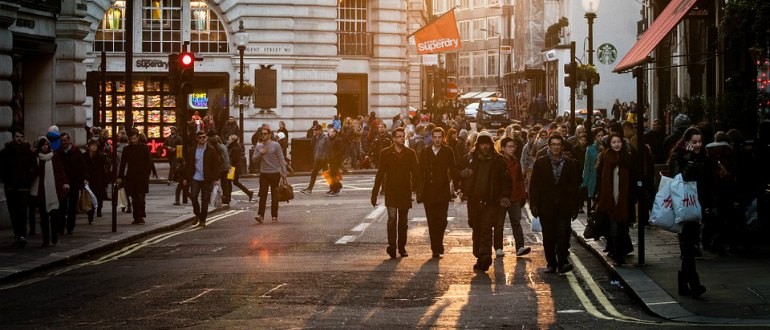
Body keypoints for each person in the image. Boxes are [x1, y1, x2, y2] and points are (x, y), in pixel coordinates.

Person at [529, 132, 581, 274]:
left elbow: (574, 186)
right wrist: (534, 204)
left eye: (558, 145)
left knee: (563, 234)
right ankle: (551, 263)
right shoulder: (541, 163)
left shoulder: (570, 163)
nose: (556, 147)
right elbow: (534, 185)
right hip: (546, 206)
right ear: (549, 146)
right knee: (549, 236)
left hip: (564, 206)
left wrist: (575, 207)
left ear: (562, 147)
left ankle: (562, 262)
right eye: (553, 145)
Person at [459, 131, 511, 271]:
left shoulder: (499, 160)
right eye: (482, 144)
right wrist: (462, 175)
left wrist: (505, 196)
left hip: (491, 201)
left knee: (486, 228)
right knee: (476, 227)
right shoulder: (470, 158)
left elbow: (506, 181)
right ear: (478, 145)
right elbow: (458, 171)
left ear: (491, 145)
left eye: (487, 144)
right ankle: (479, 254)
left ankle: (485, 254)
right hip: (474, 200)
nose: (485, 147)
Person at [668, 127, 710, 298]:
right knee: (688, 246)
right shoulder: (678, 156)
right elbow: (679, 178)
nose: (698, 145)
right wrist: (690, 160)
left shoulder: (704, 156)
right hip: (684, 205)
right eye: (694, 142)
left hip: (698, 205)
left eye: (700, 141)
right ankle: (694, 284)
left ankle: (684, 284)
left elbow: (707, 181)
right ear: (686, 142)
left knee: (689, 247)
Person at [371, 127, 422, 259]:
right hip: (391, 190)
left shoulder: (410, 153)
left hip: (405, 190)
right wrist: (374, 193)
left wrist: (419, 191)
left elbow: (416, 173)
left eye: (402, 136)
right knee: (392, 219)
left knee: (403, 221)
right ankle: (392, 246)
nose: (401, 138)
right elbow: (380, 173)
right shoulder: (385, 153)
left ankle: (402, 246)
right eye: (398, 136)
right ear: (393, 138)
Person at [594, 133, 635, 266]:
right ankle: (618, 256)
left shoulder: (627, 158)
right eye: (614, 142)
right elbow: (600, 178)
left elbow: (633, 178)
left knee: (623, 229)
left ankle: (620, 253)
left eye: (619, 142)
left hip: (624, 199)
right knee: (614, 229)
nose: (617, 144)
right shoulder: (606, 157)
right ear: (610, 144)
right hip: (610, 199)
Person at [418, 127, 458, 258]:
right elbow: (420, 171)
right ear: (431, 137)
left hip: (442, 190)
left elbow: (453, 169)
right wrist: (418, 189)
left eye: (439, 137)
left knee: (442, 220)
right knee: (431, 220)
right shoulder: (425, 151)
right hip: (428, 191)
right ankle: (435, 247)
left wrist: (457, 187)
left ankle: (439, 242)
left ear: (443, 138)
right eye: (435, 137)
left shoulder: (448, 151)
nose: (437, 140)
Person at [0, 130, 37, 247]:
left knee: (22, 211)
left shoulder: (28, 152)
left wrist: (27, 180)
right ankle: (17, 234)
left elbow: (34, 169)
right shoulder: (6, 152)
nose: (19, 139)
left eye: (21, 137)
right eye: (17, 137)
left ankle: (22, 235)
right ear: (13, 138)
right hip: (10, 187)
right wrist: (6, 179)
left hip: (23, 187)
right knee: (13, 212)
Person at [30, 137, 69, 247]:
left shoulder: (54, 156)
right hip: (41, 191)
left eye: (46, 144)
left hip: (53, 190)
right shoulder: (36, 158)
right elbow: (32, 172)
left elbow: (60, 170)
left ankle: (54, 235)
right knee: (43, 218)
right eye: (43, 145)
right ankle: (46, 239)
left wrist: (65, 182)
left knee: (55, 215)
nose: (45, 147)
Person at [499, 137, 531, 257]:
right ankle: (498, 247)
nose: (512, 149)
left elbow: (520, 180)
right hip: (502, 198)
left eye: (514, 147)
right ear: (503, 148)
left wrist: (522, 196)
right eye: (509, 147)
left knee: (516, 222)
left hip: (515, 197)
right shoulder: (498, 161)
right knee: (499, 224)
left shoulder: (516, 161)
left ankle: (520, 247)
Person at [184, 130, 222, 227]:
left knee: (205, 200)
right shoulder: (193, 150)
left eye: (204, 137)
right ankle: (197, 214)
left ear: (206, 138)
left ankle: (202, 220)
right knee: (193, 196)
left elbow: (216, 165)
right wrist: (185, 178)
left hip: (206, 178)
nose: (202, 139)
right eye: (200, 137)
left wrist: (216, 179)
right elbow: (189, 165)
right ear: (197, 139)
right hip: (195, 177)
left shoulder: (211, 150)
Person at [252, 126, 289, 224]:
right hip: (264, 174)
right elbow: (254, 160)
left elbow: (281, 159)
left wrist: (284, 172)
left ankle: (274, 216)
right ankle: (260, 215)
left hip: (275, 173)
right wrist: (260, 153)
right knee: (263, 195)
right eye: (261, 134)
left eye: (265, 134)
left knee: (274, 196)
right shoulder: (259, 146)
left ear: (269, 135)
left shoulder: (276, 145)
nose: (263, 135)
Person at [117, 129, 153, 225]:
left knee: (141, 197)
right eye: (131, 139)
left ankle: (141, 216)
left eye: (135, 138)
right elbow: (123, 164)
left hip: (142, 177)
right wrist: (120, 176)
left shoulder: (144, 148)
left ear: (138, 137)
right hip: (131, 177)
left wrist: (147, 174)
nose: (133, 140)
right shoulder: (127, 149)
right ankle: (136, 217)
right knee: (134, 197)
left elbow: (149, 162)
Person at [56, 132, 87, 235]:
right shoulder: (58, 153)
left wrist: (82, 180)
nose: (63, 142)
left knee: (72, 206)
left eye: (65, 140)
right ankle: (60, 227)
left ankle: (70, 226)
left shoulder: (76, 152)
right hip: (62, 183)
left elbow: (82, 167)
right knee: (62, 206)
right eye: (62, 141)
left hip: (74, 183)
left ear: (69, 140)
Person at [83, 139, 108, 224]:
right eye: (92, 146)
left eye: (95, 146)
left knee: (99, 196)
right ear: (89, 147)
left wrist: (105, 182)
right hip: (89, 179)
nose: (94, 147)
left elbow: (103, 170)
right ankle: (90, 215)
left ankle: (99, 210)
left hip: (99, 179)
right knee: (90, 197)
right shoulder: (84, 156)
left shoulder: (101, 156)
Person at [300, 125, 328, 195]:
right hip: (317, 158)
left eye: (316, 130)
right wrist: (314, 137)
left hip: (322, 159)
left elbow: (327, 149)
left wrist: (324, 158)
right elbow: (313, 146)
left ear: (320, 130)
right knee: (327, 174)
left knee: (314, 173)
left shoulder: (325, 137)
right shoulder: (316, 137)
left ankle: (310, 189)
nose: (314, 131)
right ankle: (334, 187)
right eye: (314, 130)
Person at [227, 134, 254, 201]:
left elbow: (234, 159)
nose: (228, 141)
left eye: (229, 139)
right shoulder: (234, 147)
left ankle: (228, 197)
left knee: (229, 182)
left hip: (232, 168)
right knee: (233, 182)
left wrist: (229, 165)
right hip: (234, 167)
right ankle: (248, 193)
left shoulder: (234, 148)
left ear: (233, 140)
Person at [326, 127, 346, 196]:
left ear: (335, 133)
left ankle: (336, 189)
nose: (330, 133)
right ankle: (334, 188)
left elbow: (341, 150)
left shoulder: (338, 140)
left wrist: (334, 155)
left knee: (333, 174)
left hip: (336, 160)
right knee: (331, 174)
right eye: (329, 132)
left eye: (332, 132)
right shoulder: (329, 140)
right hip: (331, 160)